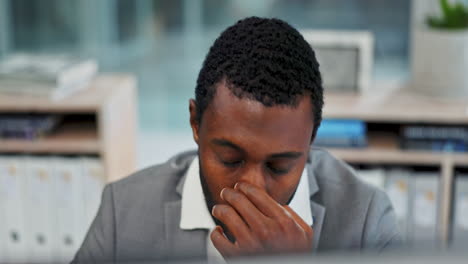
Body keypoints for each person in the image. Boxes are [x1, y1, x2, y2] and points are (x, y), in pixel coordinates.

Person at [72, 17, 400, 263]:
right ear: (195, 123)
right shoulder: (124, 211)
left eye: (279, 166)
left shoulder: (366, 222)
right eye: (230, 159)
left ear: (310, 142)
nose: (252, 187)